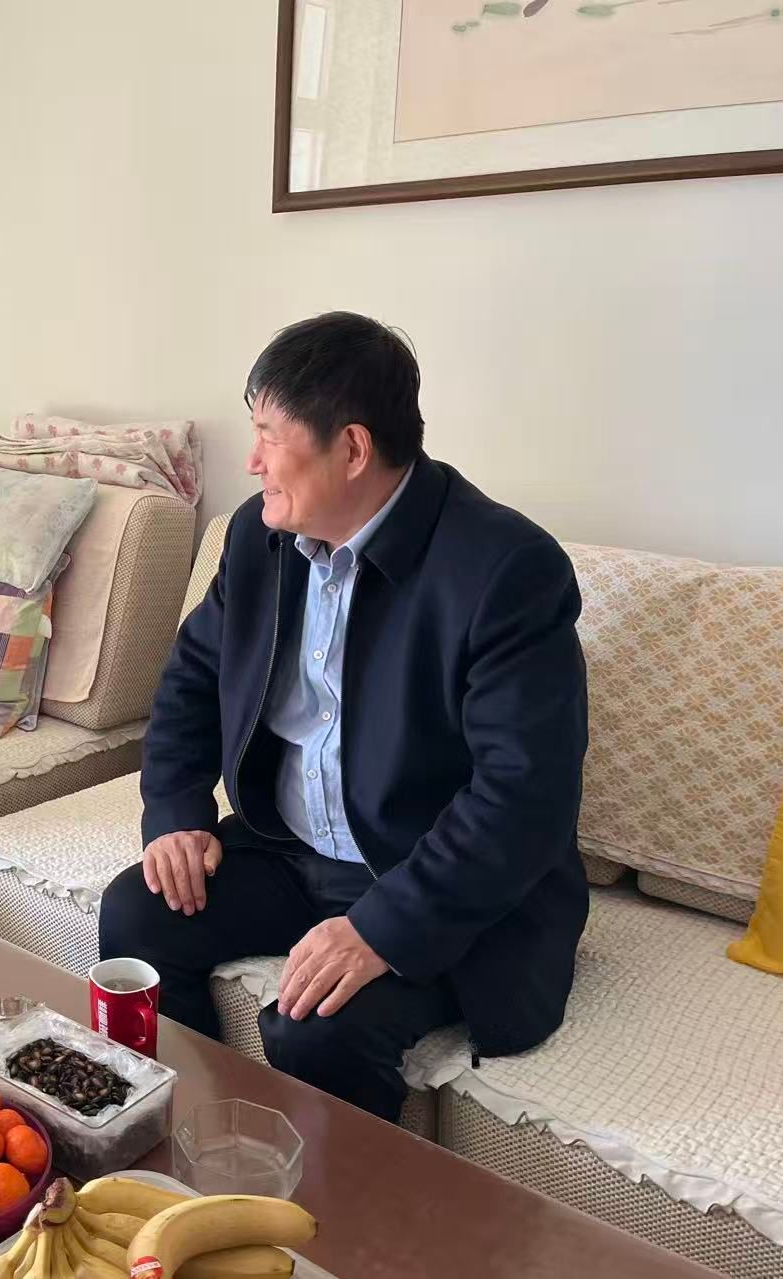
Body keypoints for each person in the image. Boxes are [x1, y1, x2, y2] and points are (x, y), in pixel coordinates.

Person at [98, 313, 589, 1122]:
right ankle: (192, 1137)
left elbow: (524, 795)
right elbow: (193, 676)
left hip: (429, 875)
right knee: (137, 913)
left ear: (352, 448)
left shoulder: (506, 569)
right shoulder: (258, 539)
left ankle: (348, 1202)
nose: (251, 460)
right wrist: (176, 813)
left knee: (314, 1027)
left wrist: (382, 928)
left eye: (269, 434)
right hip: (292, 851)